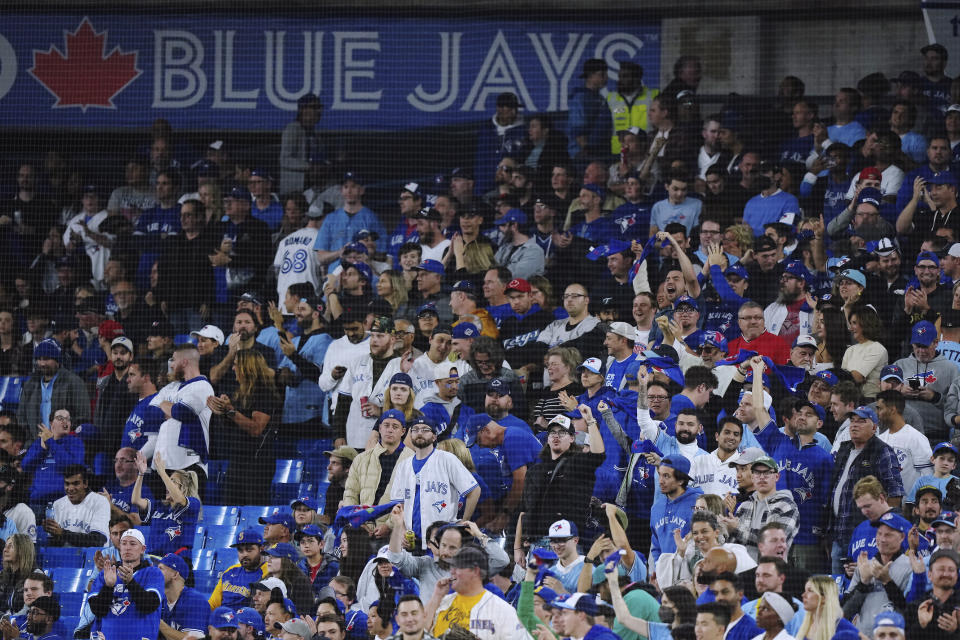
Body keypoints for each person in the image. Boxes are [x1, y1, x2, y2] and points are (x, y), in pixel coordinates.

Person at [207, 349, 281, 505]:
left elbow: (256, 429)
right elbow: (232, 427)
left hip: (257, 463)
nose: (233, 369)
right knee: (229, 506)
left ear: (248, 368)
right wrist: (221, 411)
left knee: (252, 511)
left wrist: (231, 411)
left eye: (236, 365)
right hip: (236, 460)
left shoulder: (264, 393)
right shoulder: (238, 393)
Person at [390, 416, 480, 544]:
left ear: (434, 436)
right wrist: (403, 530)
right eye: (415, 430)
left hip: (442, 539)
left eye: (425, 429)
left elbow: (474, 491)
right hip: (412, 540)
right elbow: (398, 505)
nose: (419, 433)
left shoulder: (447, 459)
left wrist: (462, 522)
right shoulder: (403, 466)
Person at [387, 511, 509, 601]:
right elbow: (395, 558)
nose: (445, 551)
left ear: (462, 548)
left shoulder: (473, 570)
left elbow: (501, 560)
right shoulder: (425, 565)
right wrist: (398, 525)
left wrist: (479, 534)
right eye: (443, 544)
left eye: (452, 547)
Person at [428, 545, 528, 639]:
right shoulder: (444, 601)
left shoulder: (502, 610)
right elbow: (420, 632)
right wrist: (436, 597)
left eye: (458, 567)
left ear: (475, 571)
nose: (452, 571)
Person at [841, 510, 913, 634]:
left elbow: (909, 611)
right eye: (879, 534)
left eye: (888, 535)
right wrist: (864, 583)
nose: (882, 539)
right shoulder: (864, 566)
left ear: (902, 537)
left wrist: (887, 582)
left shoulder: (911, 567)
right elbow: (846, 612)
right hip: (863, 635)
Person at [88, 529, 164, 639]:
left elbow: (149, 606)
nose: (127, 547)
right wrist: (108, 587)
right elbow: (97, 610)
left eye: (132, 544)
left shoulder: (153, 573)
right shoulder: (106, 573)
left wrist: (131, 583)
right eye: (123, 543)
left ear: (143, 549)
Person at [132, 451, 201, 559]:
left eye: (172, 481)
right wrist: (141, 474)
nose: (167, 485)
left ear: (184, 487)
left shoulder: (193, 504)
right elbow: (135, 500)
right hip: (152, 559)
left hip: (177, 562)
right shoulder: (159, 506)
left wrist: (162, 472)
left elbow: (179, 499)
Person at [17, 339, 90, 441]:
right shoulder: (30, 385)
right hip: (35, 446)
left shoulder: (74, 382)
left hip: (65, 446)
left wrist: (62, 437)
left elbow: (83, 417)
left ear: (57, 360)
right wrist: (30, 444)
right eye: (39, 359)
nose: (42, 363)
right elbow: (22, 418)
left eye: (46, 359)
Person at [21, 407, 84, 506]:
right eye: (60, 418)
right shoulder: (39, 443)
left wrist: (51, 442)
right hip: (38, 502)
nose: (65, 421)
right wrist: (42, 449)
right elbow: (25, 466)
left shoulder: (75, 442)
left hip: (65, 504)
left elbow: (72, 468)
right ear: (51, 423)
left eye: (68, 419)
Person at [42, 464, 109, 547]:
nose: (70, 488)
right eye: (67, 484)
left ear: (85, 483)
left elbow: (98, 540)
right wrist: (52, 532)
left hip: (92, 557)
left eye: (75, 483)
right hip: (64, 557)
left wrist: (62, 533)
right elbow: (54, 544)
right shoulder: (57, 504)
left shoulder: (100, 502)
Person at [905, 548, 960, 639]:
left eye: (951, 570)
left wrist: (955, 631)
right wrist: (921, 625)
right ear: (929, 575)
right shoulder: (916, 606)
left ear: (957, 576)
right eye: (941, 569)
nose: (946, 574)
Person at [158, 552, 211, 639]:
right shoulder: (162, 600)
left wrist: (158, 622)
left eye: (161, 568)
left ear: (175, 575)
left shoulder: (196, 601)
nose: (156, 572)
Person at [796, 576, 860, 640]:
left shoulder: (842, 627)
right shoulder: (805, 626)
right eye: (805, 590)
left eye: (810, 591)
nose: (803, 595)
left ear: (824, 597)